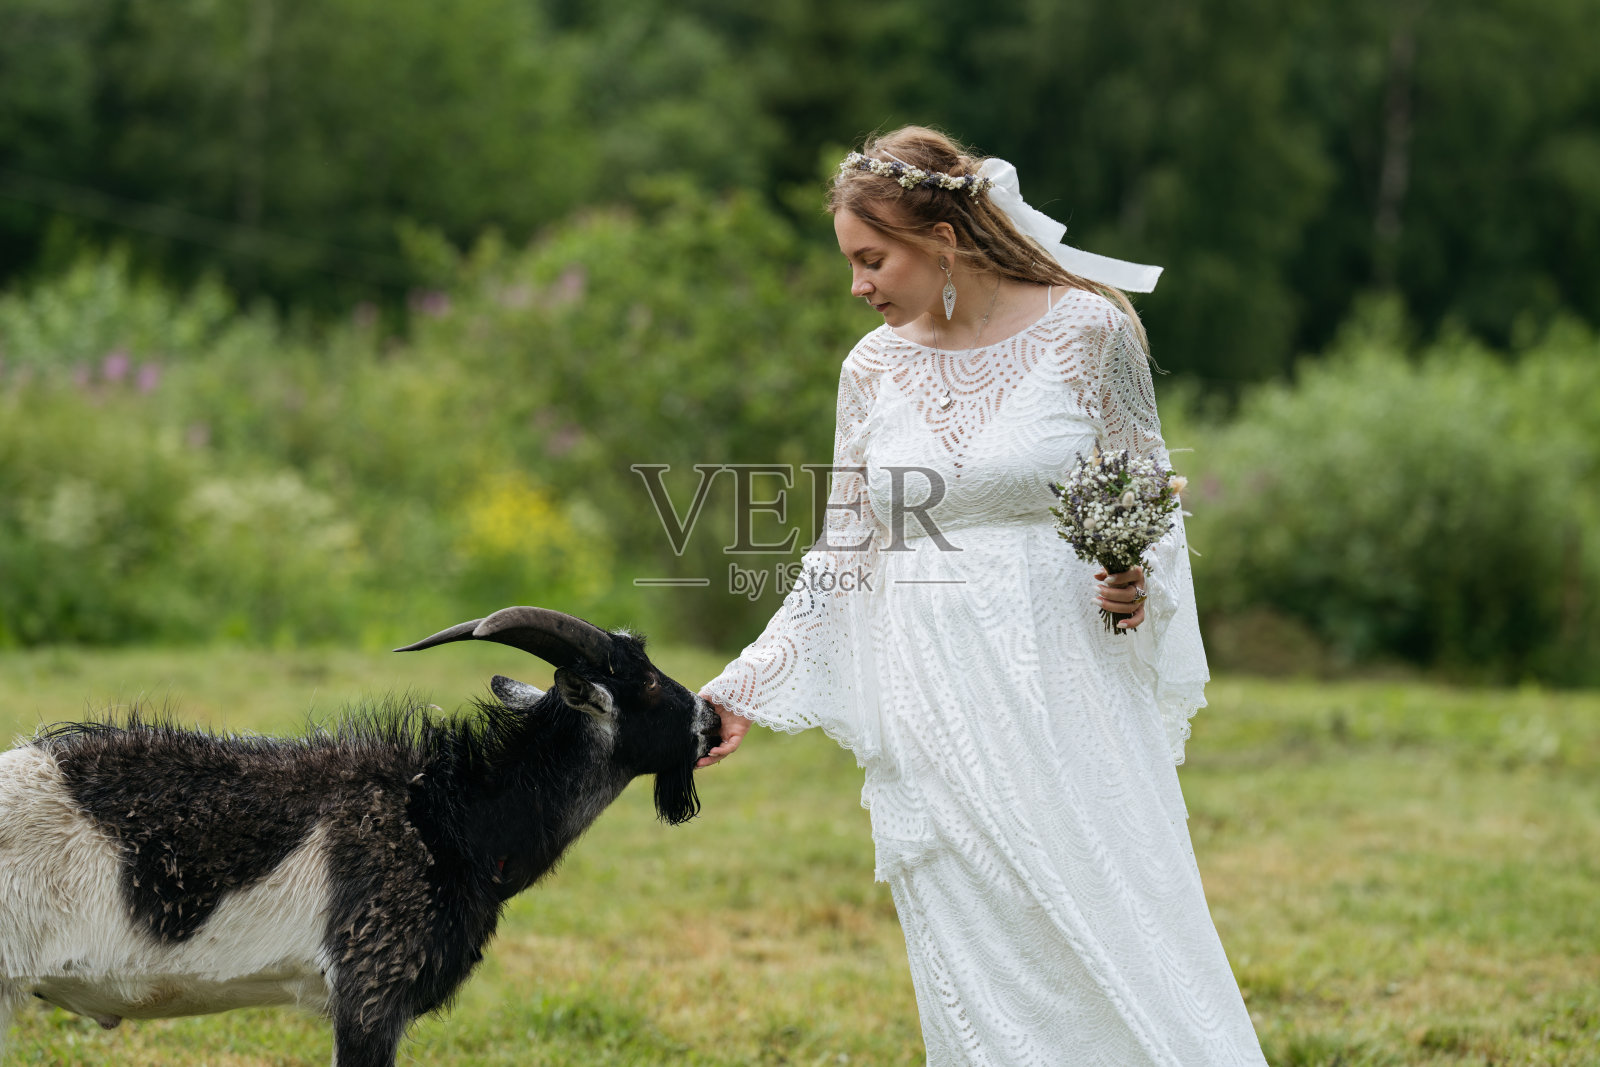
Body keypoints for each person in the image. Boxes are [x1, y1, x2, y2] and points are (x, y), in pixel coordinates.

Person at [696, 126, 1267, 1066]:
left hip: (1066, 680)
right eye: (850, 263)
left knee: (1117, 913)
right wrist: (742, 687)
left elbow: (1147, 493)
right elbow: (842, 552)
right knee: (977, 948)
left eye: (872, 258)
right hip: (934, 696)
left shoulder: (1092, 329)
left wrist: (1133, 576)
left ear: (943, 238)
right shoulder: (869, 368)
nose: (858, 285)